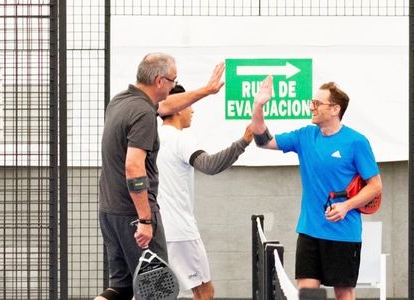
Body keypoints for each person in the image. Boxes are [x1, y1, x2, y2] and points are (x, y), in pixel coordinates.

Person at [96, 53, 225, 300]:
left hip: (109, 212)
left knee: (121, 288)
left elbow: (166, 106)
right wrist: (145, 219)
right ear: (159, 81)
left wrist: (207, 90)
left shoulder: (121, 101)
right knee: (158, 292)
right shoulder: (143, 113)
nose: (173, 86)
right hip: (134, 214)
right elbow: (134, 167)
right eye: (172, 80)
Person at [250, 76, 383, 300]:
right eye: (312, 102)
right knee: (309, 294)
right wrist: (259, 105)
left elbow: (375, 186)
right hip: (309, 230)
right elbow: (263, 141)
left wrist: (346, 206)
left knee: (344, 294)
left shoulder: (356, 142)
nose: (311, 107)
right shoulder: (304, 136)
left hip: (343, 234)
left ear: (335, 109)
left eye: (317, 103)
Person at [157, 84, 253, 300]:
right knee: (204, 292)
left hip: (155, 231)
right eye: (190, 105)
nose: (193, 111)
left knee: (152, 293)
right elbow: (209, 165)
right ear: (179, 107)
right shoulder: (180, 139)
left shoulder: (150, 137)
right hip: (180, 232)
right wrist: (244, 141)